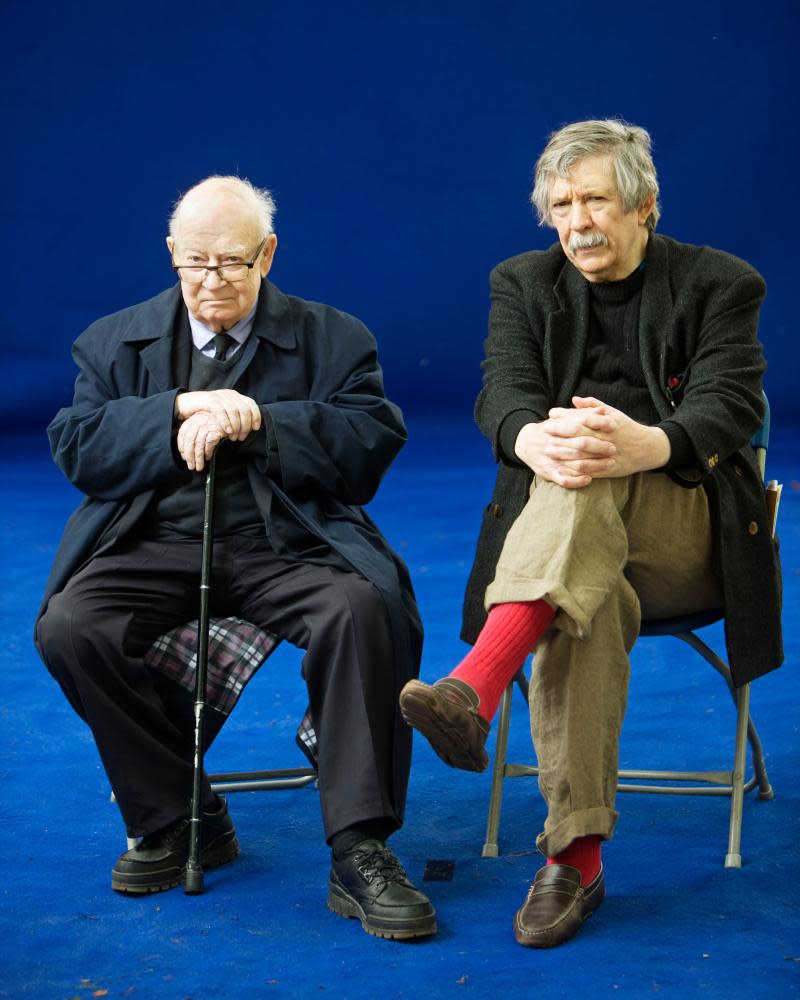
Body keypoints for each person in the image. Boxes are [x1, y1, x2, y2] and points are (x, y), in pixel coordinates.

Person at [400, 120, 782, 948]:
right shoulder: (522, 282)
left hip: (686, 539)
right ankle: (574, 861)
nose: (578, 222)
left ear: (646, 205)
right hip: (574, 559)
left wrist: (647, 443)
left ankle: (477, 684)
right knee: (582, 563)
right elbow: (502, 391)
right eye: (562, 205)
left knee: (591, 471)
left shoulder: (721, 283)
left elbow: (732, 402)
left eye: (597, 200)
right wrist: (528, 436)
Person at [35, 175, 436, 941]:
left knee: (360, 609)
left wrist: (262, 423)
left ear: (269, 255)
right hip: (152, 540)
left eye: (232, 262)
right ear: (171, 256)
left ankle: (360, 846)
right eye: (195, 262)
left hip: (287, 541)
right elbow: (80, 449)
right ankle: (182, 814)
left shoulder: (336, 337)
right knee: (71, 625)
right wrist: (178, 407)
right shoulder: (113, 340)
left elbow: (367, 451)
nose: (211, 280)